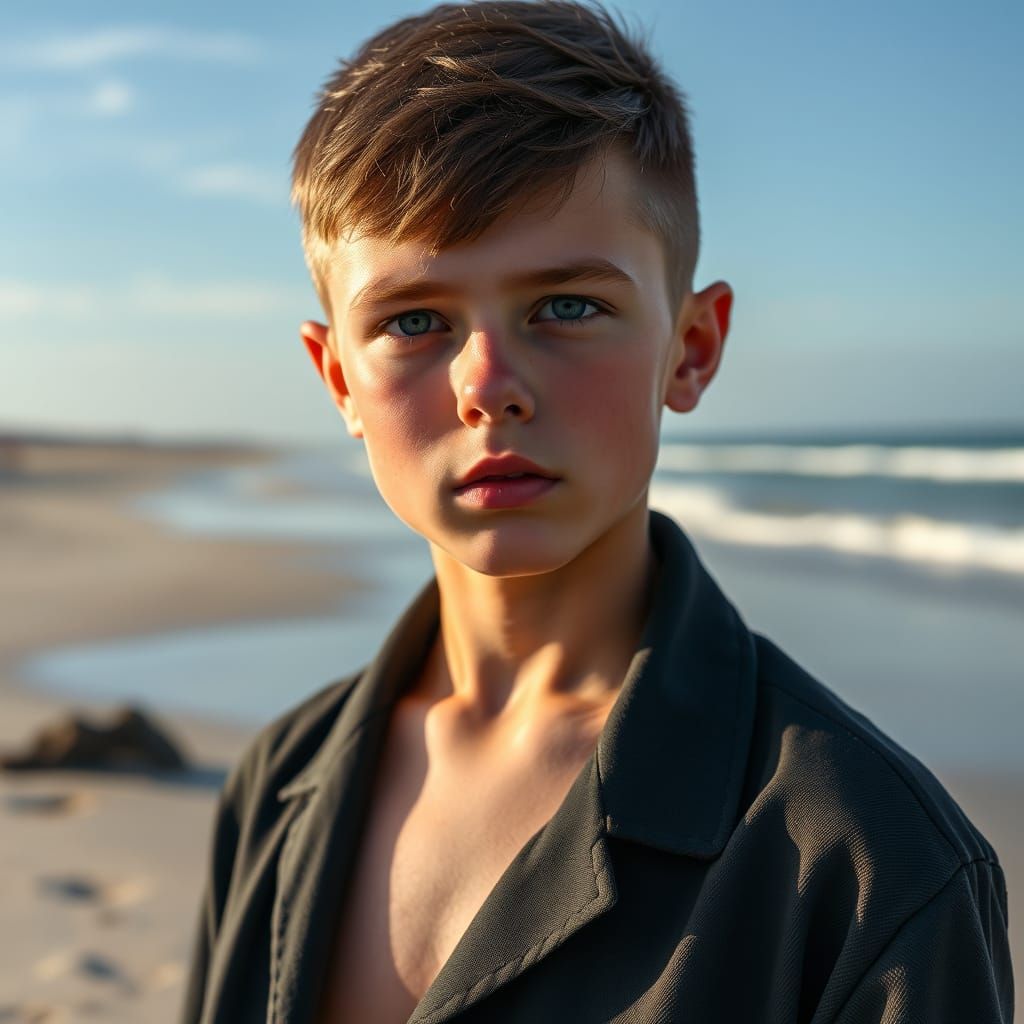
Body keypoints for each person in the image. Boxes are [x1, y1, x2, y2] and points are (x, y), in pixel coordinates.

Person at [180, 2, 1013, 1021]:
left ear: (691, 348)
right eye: (413, 319)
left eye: (567, 306)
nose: (489, 386)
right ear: (338, 379)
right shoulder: (278, 786)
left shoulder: (871, 861)